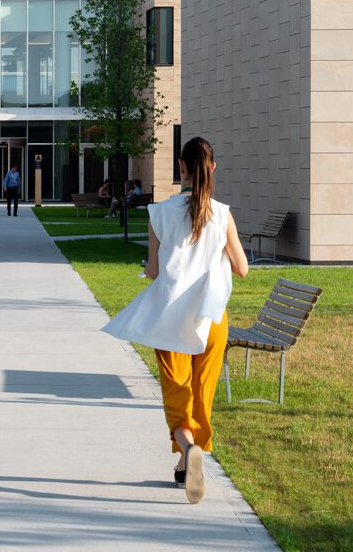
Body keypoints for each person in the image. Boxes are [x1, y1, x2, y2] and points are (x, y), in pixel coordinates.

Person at [101, 137, 249, 504]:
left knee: (178, 397)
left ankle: (187, 449)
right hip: (211, 320)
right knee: (201, 394)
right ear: (212, 168)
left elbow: (153, 270)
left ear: (181, 168)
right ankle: (188, 462)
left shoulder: (159, 213)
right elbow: (242, 268)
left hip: (171, 320)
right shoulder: (222, 215)